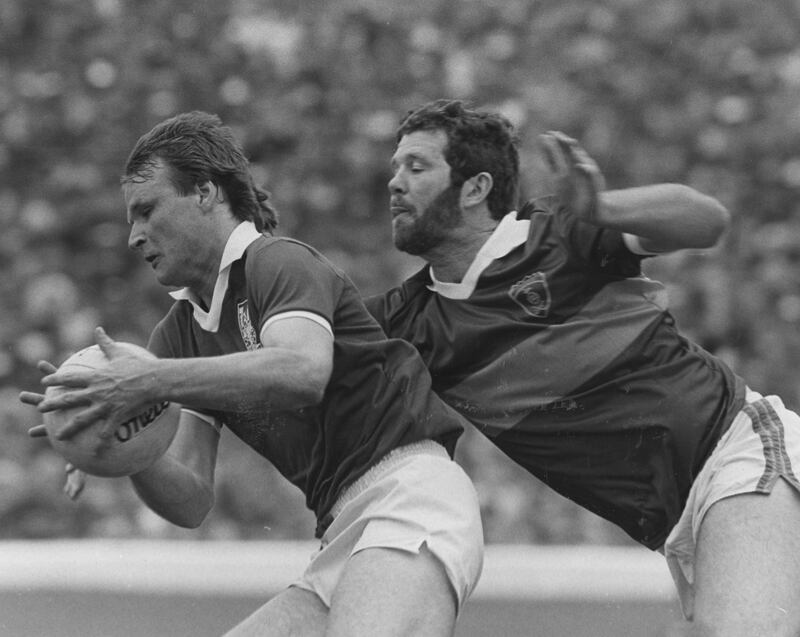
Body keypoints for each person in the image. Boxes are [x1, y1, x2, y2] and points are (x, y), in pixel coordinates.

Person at [20, 110, 484, 637]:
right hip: (344, 534)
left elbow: (303, 370)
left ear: (205, 193)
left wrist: (146, 383)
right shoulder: (173, 338)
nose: (133, 235)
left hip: (411, 497)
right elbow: (192, 498)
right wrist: (123, 446)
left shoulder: (276, 262)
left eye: (146, 210)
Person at [364, 99, 800, 636]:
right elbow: (297, 358)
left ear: (475, 189)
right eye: (395, 167)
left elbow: (706, 222)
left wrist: (606, 209)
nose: (395, 182)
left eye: (416, 166)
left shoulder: (556, 233)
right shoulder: (404, 324)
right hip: (683, 525)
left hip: (738, 449)